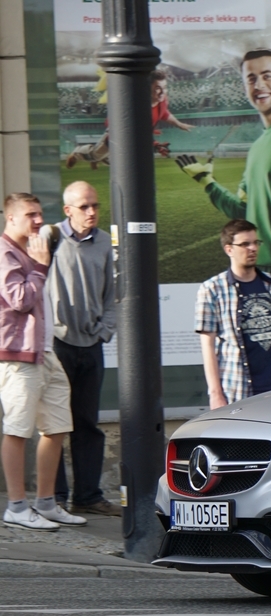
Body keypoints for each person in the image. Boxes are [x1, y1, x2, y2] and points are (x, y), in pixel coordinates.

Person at [177, 49, 271, 280]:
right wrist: (208, 182)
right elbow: (244, 212)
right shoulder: (257, 146)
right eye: (251, 79)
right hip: (259, 268)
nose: (259, 85)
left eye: (267, 76)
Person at [0, 193, 85, 530]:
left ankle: (46, 502)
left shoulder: (31, 250)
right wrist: (39, 267)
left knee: (58, 426)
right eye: (30, 215)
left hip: (45, 352)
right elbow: (19, 300)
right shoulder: (6, 252)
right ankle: (16, 507)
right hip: (18, 357)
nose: (38, 221)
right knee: (17, 430)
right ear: (11, 219)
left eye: (40, 214)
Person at [45, 181, 119, 516]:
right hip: (57, 344)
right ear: (68, 210)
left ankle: (87, 496)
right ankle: (56, 495)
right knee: (56, 423)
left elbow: (114, 294)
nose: (91, 212)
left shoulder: (105, 242)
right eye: (84, 206)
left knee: (88, 422)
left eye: (95, 206)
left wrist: (104, 331)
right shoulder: (51, 238)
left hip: (91, 346)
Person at [195, 219, 271, 409]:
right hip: (237, 391)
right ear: (229, 249)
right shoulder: (212, 289)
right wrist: (215, 394)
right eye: (245, 244)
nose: (253, 248)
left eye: (255, 242)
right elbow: (208, 346)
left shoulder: (269, 283)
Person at [66, 68, 193, 169]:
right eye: (157, 88)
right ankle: (76, 154)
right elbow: (131, 130)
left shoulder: (163, 101)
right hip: (118, 135)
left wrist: (179, 124)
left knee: (124, 163)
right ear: (148, 88)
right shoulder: (136, 106)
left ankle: (98, 160)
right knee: (95, 155)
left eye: (164, 88)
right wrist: (154, 143)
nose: (162, 92)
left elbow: (164, 114)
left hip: (134, 139)